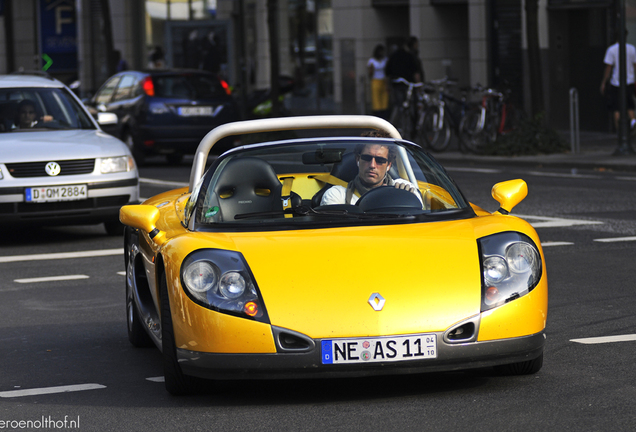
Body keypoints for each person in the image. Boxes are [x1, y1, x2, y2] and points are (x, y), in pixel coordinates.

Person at [320, 140, 421, 206]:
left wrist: (405, 197)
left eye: (380, 160)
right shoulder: (337, 195)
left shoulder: (403, 188)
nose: (372, 165)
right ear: (358, 159)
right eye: (367, 158)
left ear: (389, 165)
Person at [600, 33, 636, 133]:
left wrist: (604, 81)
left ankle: (619, 130)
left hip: (616, 82)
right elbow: (634, 64)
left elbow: (608, 67)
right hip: (629, 80)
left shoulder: (612, 50)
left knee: (616, 107)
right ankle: (633, 120)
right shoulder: (631, 49)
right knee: (629, 105)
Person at [385, 36, 423, 115]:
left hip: (396, 84)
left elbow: (387, 72)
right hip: (409, 85)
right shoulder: (411, 56)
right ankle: (410, 124)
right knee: (411, 105)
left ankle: (395, 124)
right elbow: (416, 73)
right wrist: (419, 86)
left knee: (398, 106)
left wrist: (387, 85)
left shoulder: (394, 55)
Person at [367, 44, 390, 119]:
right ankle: (377, 115)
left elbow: (386, 72)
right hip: (375, 81)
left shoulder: (385, 60)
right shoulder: (372, 61)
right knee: (376, 100)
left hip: (383, 81)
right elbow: (370, 73)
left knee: (384, 100)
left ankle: (384, 115)